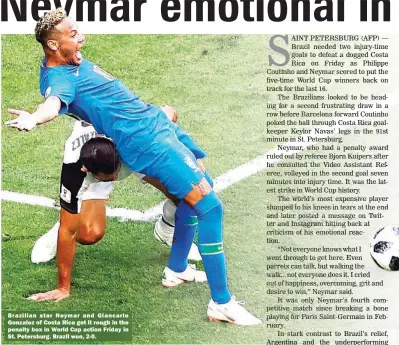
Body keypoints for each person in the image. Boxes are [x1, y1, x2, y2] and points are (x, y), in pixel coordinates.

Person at [6, 8, 261, 325]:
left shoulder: (70, 62)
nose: (81, 37)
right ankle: (221, 303)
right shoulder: (59, 80)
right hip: (148, 144)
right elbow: (53, 104)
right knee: (209, 207)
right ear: (53, 46)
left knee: (193, 194)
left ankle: (177, 270)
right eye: (72, 34)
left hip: (156, 124)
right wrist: (34, 118)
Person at [31, 119, 202, 265]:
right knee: (89, 234)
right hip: (98, 164)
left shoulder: (135, 138)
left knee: (186, 192)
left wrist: (193, 155)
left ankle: (167, 228)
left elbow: (167, 114)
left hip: (129, 155)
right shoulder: (75, 164)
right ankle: (61, 226)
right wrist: (63, 289)